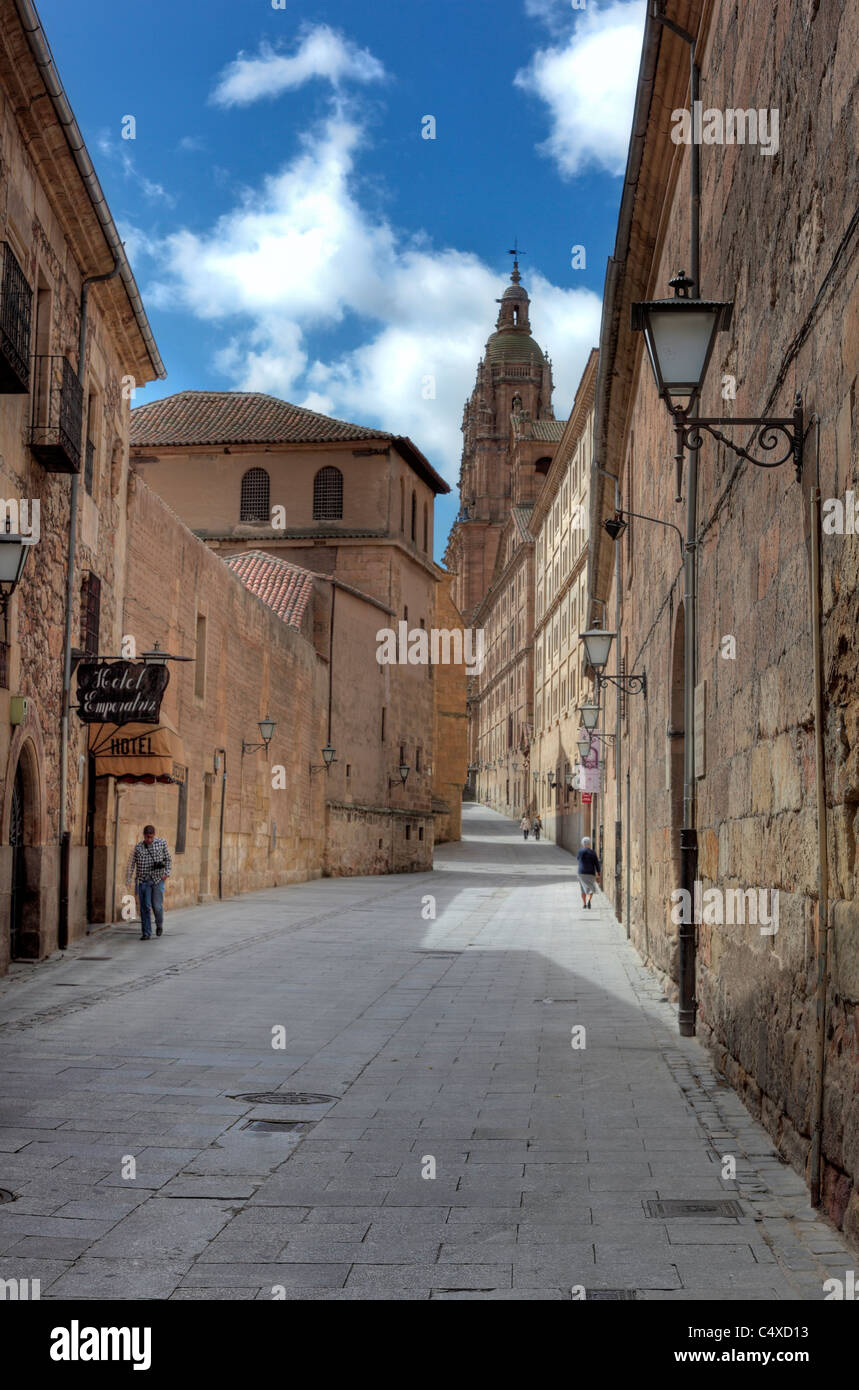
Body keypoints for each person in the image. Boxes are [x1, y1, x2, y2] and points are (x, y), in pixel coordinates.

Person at [126, 824, 172, 940]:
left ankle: (159, 925)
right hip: (143, 881)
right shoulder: (138, 847)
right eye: (147, 837)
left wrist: (166, 873)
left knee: (156, 906)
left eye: (150, 837)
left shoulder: (161, 843)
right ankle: (146, 932)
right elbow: (131, 864)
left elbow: (168, 859)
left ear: (154, 835)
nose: (149, 840)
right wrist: (129, 878)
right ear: (144, 836)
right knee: (145, 907)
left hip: (158, 879)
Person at [577, 835, 601, 909]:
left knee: (582, 888)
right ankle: (589, 901)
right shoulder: (593, 853)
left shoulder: (580, 851)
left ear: (582, 843)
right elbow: (597, 863)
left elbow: (578, 859)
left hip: (581, 872)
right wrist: (598, 873)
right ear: (589, 843)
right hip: (590, 873)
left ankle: (584, 904)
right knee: (591, 888)